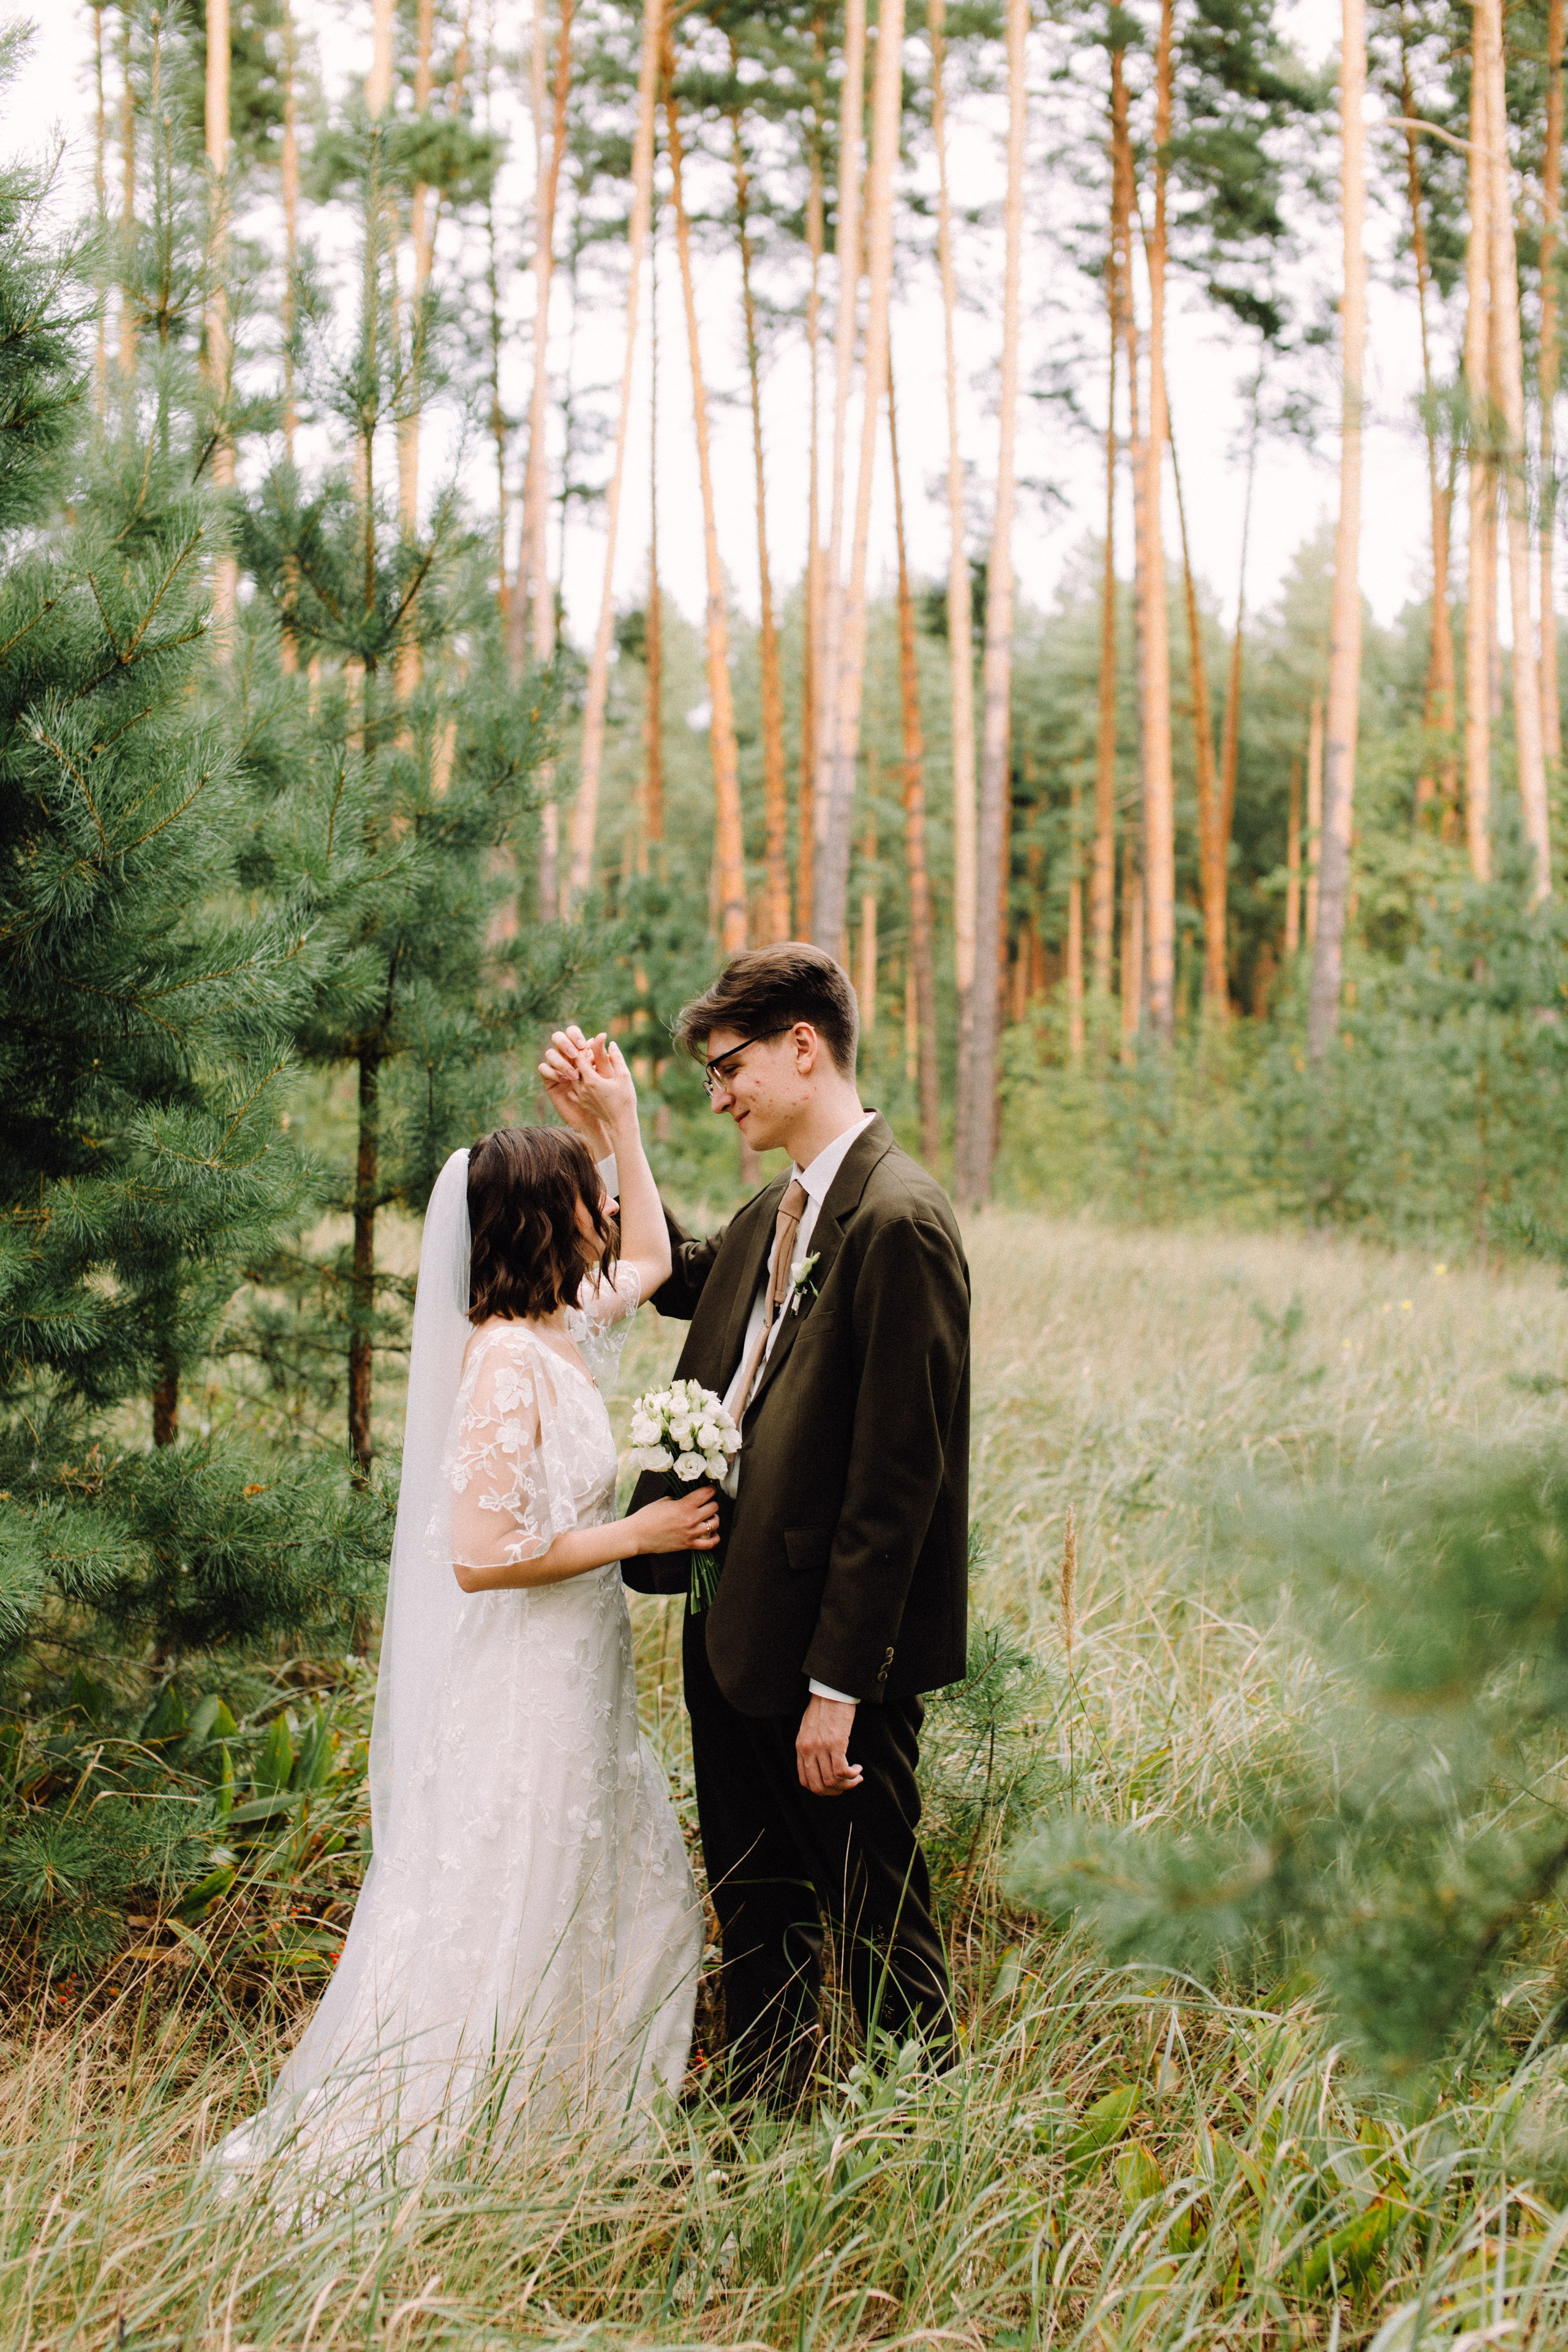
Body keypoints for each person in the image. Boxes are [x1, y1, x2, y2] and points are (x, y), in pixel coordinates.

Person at [213, 1048, 709, 2190]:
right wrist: (640, 1537)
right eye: (592, 1186)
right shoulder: (500, 1362)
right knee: (506, 1907)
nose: (609, 1204)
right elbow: (486, 1560)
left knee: (630, 1904)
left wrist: (622, 1118)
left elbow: (655, 1255)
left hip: (580, 1674)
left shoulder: (565, 1324)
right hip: (521, 1683)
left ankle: (559, 2141)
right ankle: (436, 2151)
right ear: (549, 1215)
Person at [540, 943, 970, 2106]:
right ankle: (765, 2116)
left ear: (803, 1045)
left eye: (730, 1068)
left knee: (873, 1914)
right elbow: (675, 1274)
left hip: (828, 1654)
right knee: (756, 1900)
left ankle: (919, 2134)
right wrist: (611, 1126)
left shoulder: (899, 1222)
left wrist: (842, 1687)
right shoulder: (780, 1207)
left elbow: (899, 1482)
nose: (720, 1094)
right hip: (729, 1620)